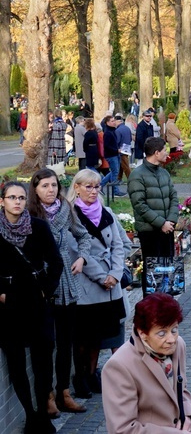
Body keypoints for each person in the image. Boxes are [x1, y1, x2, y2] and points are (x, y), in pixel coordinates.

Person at [0, 181, 63, 433]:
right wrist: (2, 294)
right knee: (16, 363)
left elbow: (56, 261)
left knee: (43, 362)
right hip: (8, 306)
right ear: (2, 201)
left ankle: (42, 412)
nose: (17, 202)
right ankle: (30, 415)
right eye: (12, 197)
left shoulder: (38, 227)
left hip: (37, 303)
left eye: (21, 197)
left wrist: (46, 289)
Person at [28, 169, 91, 414]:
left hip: (68, 283)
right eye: (44, 186)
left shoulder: (66, 209)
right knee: (46, 344)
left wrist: (82, 258)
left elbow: (84, 236)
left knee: (66, 343)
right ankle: (48, 396)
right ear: (35, 189)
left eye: (53, 185)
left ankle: (64, 391)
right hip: (43, 284)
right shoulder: (29, 214)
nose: (50, 190)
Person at [66, 169, 126, 398]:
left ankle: (92, 374)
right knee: (84, 336)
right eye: (88, 186)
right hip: (88, 285)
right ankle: (80, 376)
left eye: (97, 186)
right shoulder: (71, 215)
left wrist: (116, 273)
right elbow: (76, 251)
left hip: (111, 284)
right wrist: (103, 277)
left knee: (100, 335)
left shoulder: (107, 211)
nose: (93, 191)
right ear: (77, 188)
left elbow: (119, 244)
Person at [102, 292, 191, 433]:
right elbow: (122, 429)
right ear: (142, 334)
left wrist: (188, 416)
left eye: (174, 330)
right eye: (162, 333)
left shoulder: (178, 345)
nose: (171, 339)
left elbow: (181, 389)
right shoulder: (119, 366)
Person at [127, 137, 179, 297]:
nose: (167, 153)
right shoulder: (137, 175)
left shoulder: (163, 173)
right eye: (164, 150)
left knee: (167, 270)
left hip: (167, 229)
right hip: (150, 232)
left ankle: (167, 307)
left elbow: (173, 197)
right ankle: (152, 309)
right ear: (156, 153)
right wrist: (161, 223)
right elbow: (140, 205)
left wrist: (170, 221)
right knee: (152, 273)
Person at [100, 115, 126, 197]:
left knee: (114, 172)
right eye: (112, 121)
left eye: (114, 120)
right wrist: (116, 150)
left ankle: (100, 185)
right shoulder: (107, 133)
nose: (114, 122)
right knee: (115, 173)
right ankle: (115, 191)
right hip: (111, 155)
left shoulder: (113, 130)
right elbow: (107, 146)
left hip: (115, 153)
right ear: (107, 123)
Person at [115, 115, 133, 182]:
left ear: (118, 121)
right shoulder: (127, 128)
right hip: (127, 148)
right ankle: (119, 177)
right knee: (122, 164)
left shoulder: (118, 130)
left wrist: (116, 148)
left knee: (125, 165)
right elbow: (130, 138)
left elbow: (117, 141)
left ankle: (130, 178)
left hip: (121, 149)